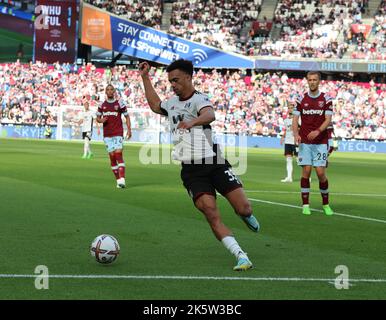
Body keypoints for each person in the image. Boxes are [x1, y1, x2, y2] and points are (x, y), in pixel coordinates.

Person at [139, 59, 260, 271]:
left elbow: (210, 114)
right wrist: (145, 77)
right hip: (192, 171)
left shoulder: (199, 99)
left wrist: (192, 122)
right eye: (170, 81)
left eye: (175, 80)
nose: (172, 85)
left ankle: (246, 215)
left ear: (188, 77)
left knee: (243, 207)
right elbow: (155, 105)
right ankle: (240, 255)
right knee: (210, 211)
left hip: (215, 162)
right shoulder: (172, 103)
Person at [292, 71, 334, 216]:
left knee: (321, 173)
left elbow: (328, 119)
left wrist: (318, 131)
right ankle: (305, 205)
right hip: (305, 141)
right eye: (310, 80)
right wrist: (296, 134)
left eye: (315, 79)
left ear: (319, 81)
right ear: (307, 81)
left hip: (320, 141)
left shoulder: (326, 98)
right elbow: (295, 119)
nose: (312, 82)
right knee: (306, 171)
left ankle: (326, 204)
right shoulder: (300, 98)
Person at [96, 84, 132, 188]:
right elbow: (97, 118)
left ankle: (122, 179)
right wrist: (101, 120)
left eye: (112, 90)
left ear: (114, 91)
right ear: (105, 92)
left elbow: (127, 116)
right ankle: (118, 180)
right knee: (112, 157)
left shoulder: (120, 103)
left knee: (118, 154)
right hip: (107, 134)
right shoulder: (101, 104)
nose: (110, 91)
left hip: (118, 132)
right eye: (108, 90)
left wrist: (129, 130)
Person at [280, 104, 297, 182]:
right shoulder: (286, 120)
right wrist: (283, 137)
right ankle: (289, 177)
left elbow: (300, 129)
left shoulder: (297, 119)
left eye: (291, 108)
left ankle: (307, 176)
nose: (290, 110)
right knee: (288, 159)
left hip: (295, 141)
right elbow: (286, 130)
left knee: (299, 160)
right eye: (289, 108)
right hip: (288, 141)